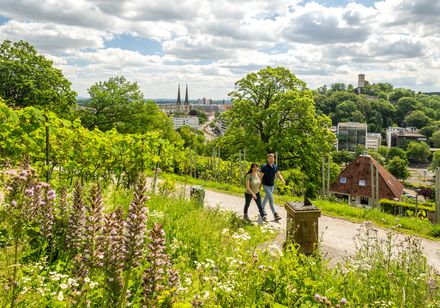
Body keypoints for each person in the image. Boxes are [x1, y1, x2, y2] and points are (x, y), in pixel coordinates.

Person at [260, 153, 285, 221]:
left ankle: (261, 209)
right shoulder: (264, 167)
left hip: (272, 186)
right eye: (270, 158)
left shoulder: (275, 166)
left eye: (272, 158)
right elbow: (260, 177)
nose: (271, 160)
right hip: (265, 186)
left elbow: (278, 174)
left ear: (274, 159)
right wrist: (258, 185)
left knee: (266, 198)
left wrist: (282, 179)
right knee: (271, 199)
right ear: (268, 159)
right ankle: (275, 214)